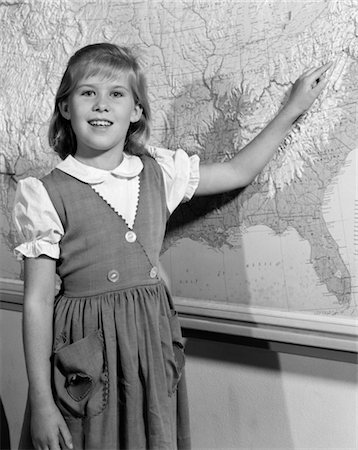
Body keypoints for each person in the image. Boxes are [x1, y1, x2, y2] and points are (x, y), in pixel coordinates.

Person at [13, 42, 331, 450]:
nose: (101, 105)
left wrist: (292, 108)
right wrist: (41, 402)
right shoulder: (43, 193)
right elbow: (37, 302)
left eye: (117, 94)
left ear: (137, 112)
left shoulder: (157, 172)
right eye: (87, 92)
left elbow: (238, 170)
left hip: (151, 347)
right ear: (65, 107)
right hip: (88, 361)